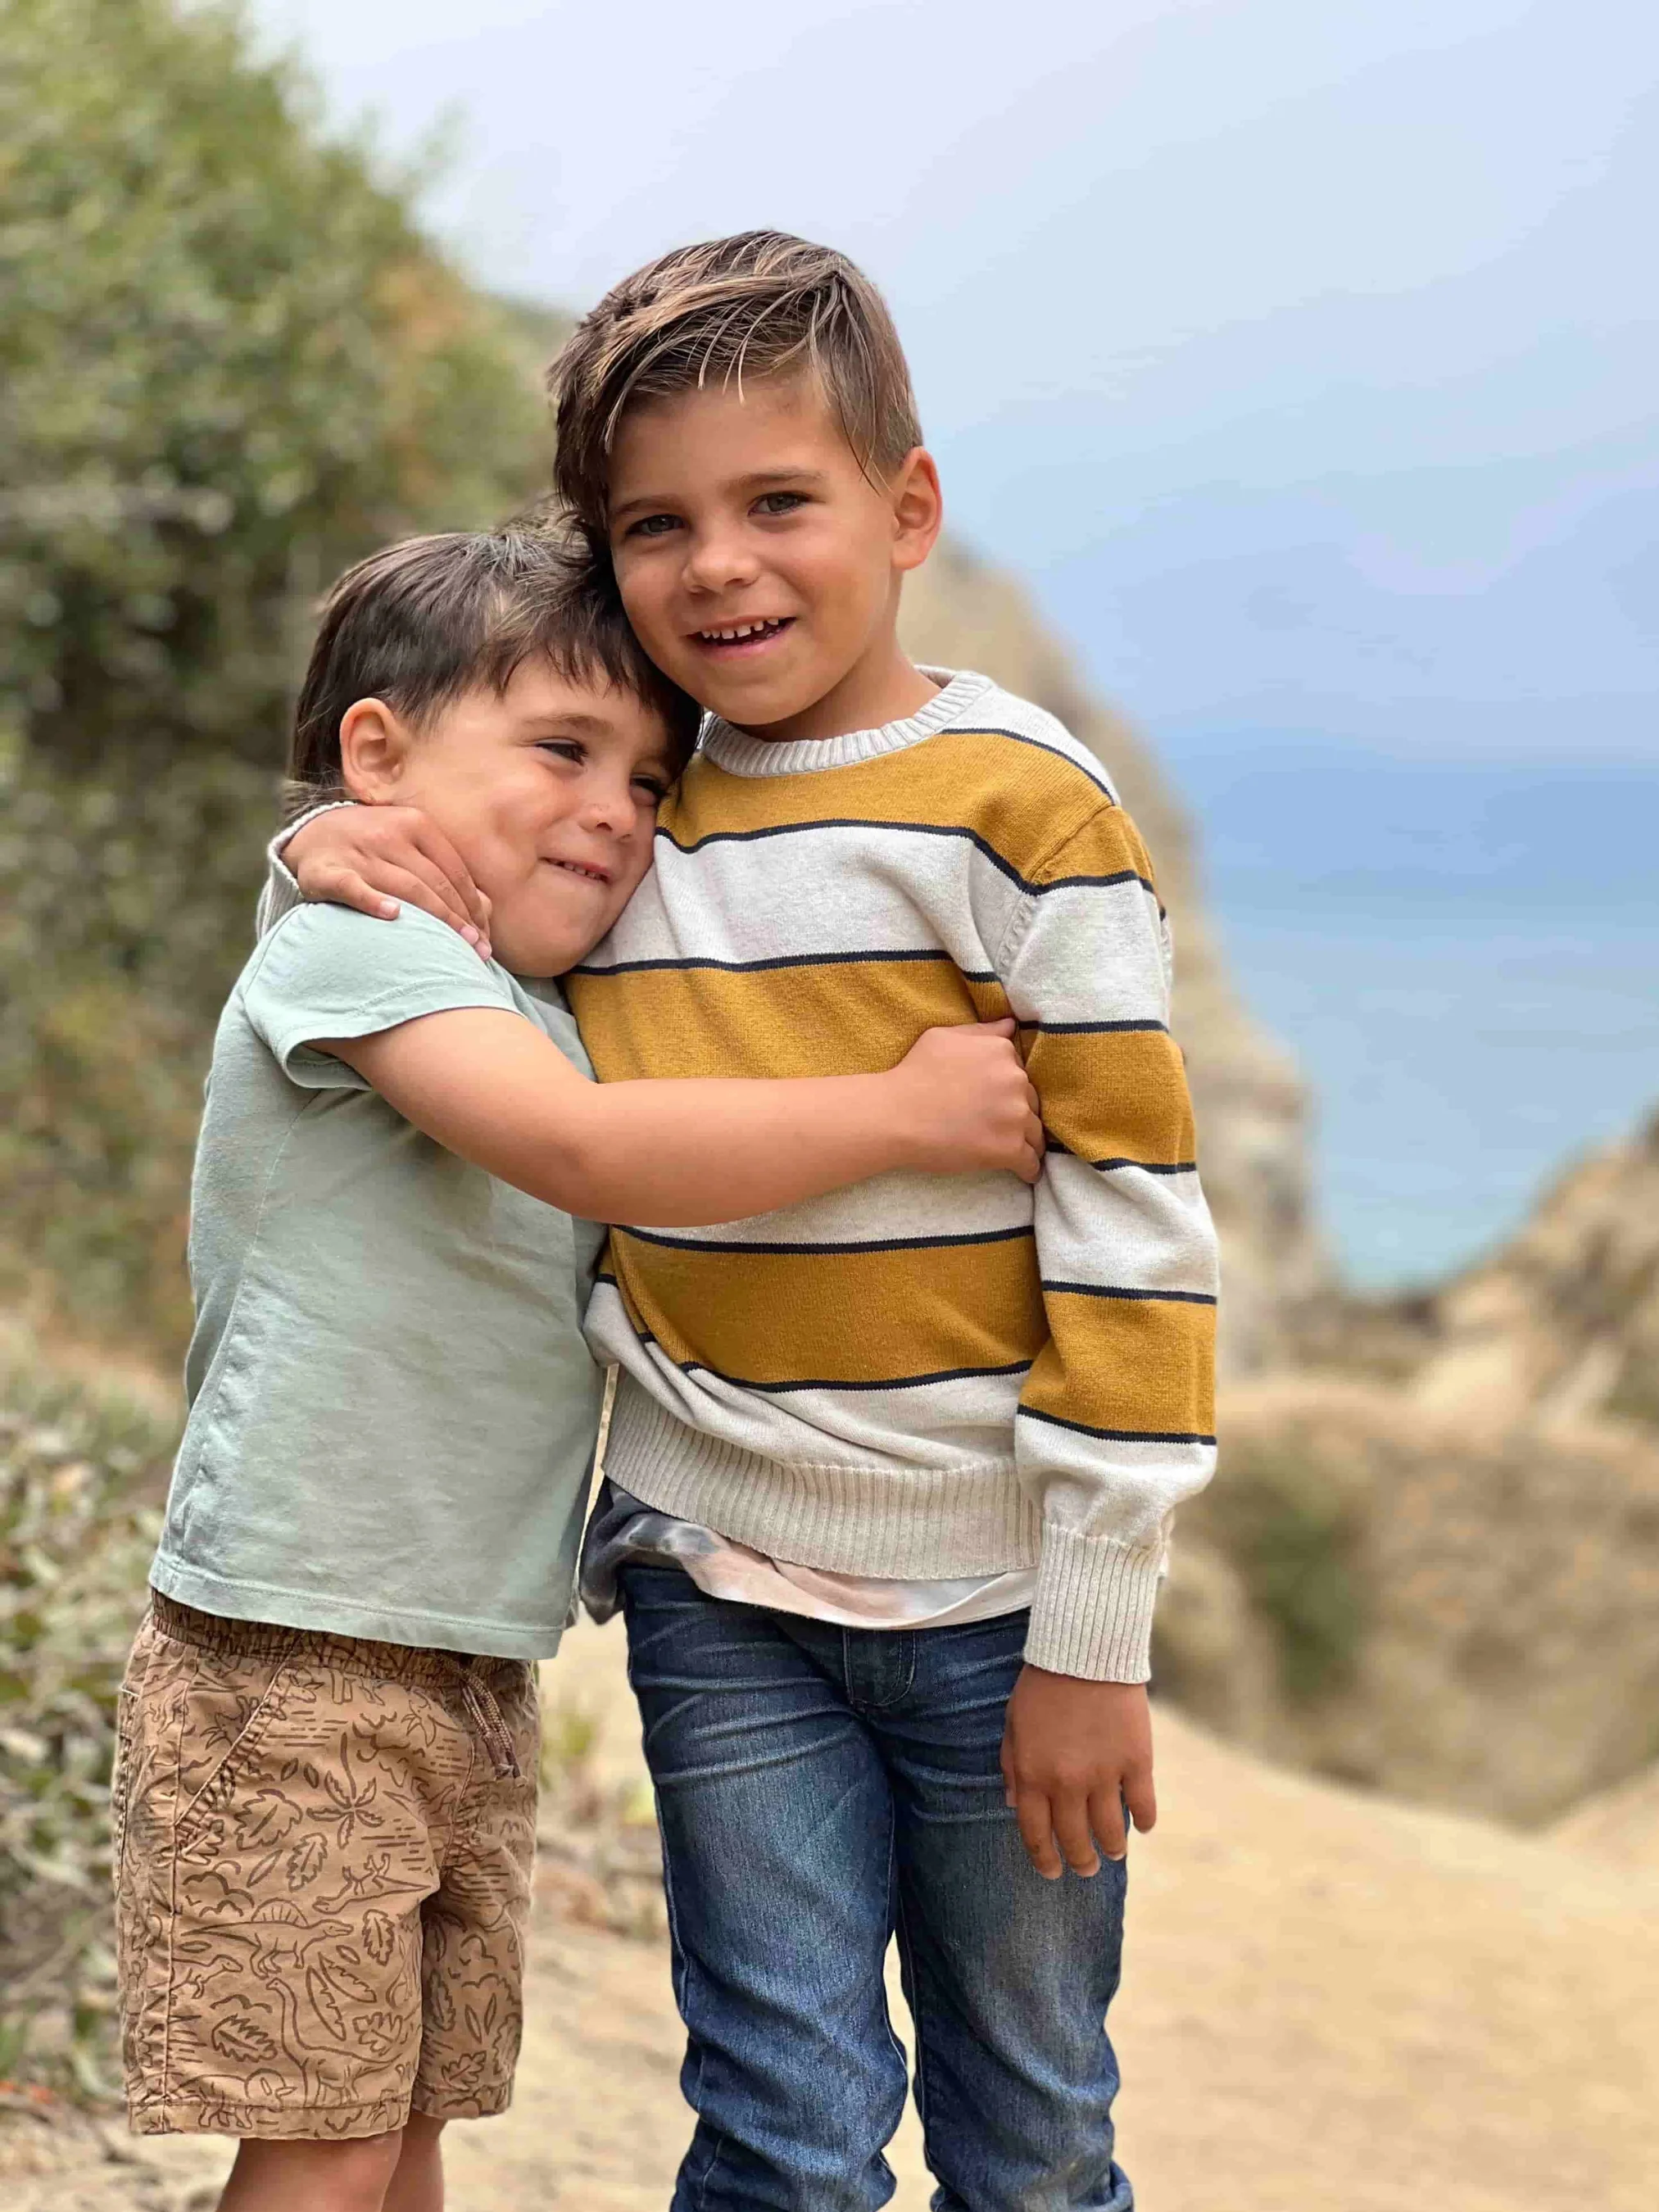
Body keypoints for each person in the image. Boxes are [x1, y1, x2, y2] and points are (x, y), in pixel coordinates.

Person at [274, 233, 1219, 2212]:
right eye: (655, 525)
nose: (719, 567)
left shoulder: (1021, 810)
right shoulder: (640, 803)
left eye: (777, 503)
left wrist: (1094, 1627)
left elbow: (1136, 1220)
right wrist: (315, 839)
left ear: (906, 507)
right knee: (782, 2124)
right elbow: (455, 884)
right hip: (718, 1576)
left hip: (999, 1607)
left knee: (1031, 2130)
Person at [115, 525, 1044, 2212]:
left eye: (648, 777)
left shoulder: (533, 992)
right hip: (294, 1641)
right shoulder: (363, 947)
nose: (619, 810)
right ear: (378, 754)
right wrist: (906, 1115)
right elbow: (592, 1149)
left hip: (459, 1651)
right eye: (562, 752)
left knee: (402, 2128)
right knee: (321, 2140)